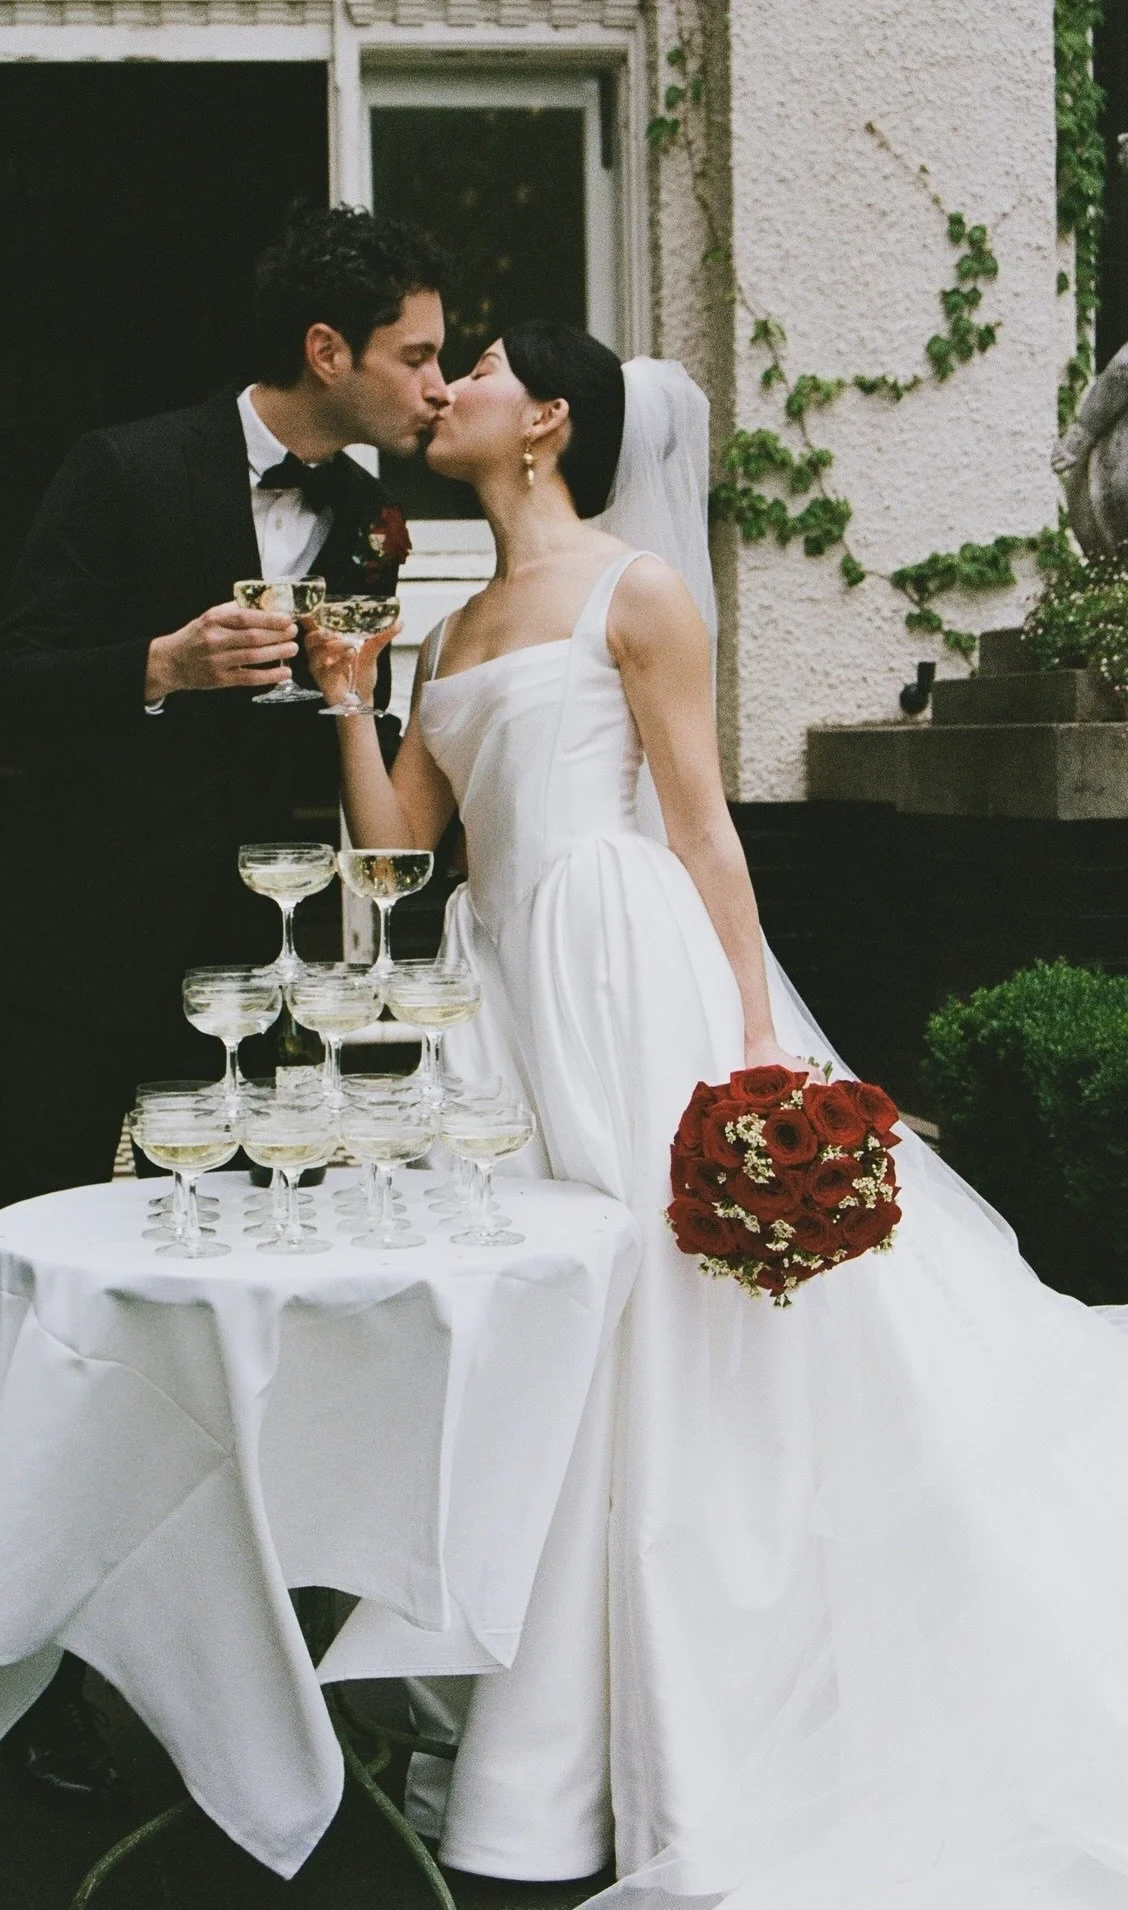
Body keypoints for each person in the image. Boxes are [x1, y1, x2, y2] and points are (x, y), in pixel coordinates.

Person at [307, 322, 1128, 1907]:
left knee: (666, 1337)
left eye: (474, 368)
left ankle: (677, 1712)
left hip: (627, 977)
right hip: (497, 998)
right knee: (537, 1331)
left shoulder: (639, 592)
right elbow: (401, 850)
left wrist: (756, 1045)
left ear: (547, 421)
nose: (446, 390)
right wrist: (351, 698)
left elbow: (703, 828)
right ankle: (546, 1724)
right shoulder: (452, 624)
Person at [0, 204, 448, 1802]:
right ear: (329, 352)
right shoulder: (123, 466)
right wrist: (162, 665)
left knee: (238, 1323)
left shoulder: (378, 517)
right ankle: (14, 1675)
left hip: (250, 985)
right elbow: (5, 680)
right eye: (414, 357)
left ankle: (237, 1670)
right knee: (45, 1315)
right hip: (68, 961)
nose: (433, 390)